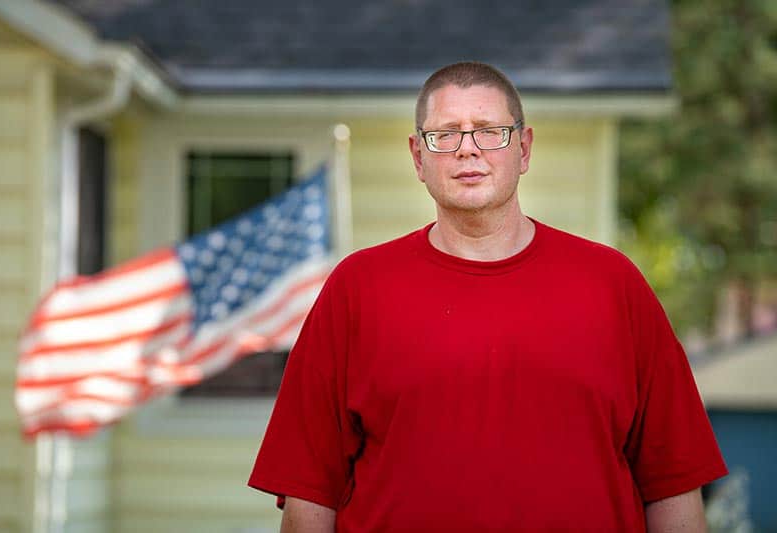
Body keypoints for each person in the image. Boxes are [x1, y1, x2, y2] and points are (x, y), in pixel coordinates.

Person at [248, 61, 727, 532]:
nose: (467, 150)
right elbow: (309, 490)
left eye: (488, 130)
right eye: (446, 134)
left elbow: (673, 481)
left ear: (524, 148)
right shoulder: (357, 288)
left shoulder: (613, 285)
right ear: (418, 157)